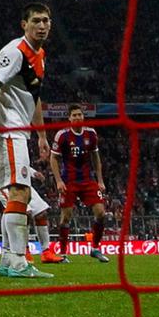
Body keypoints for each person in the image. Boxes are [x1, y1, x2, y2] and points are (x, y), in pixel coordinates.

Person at [0, 2, 55, 279]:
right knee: (19, 193)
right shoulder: (14, 51)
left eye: (46, 21)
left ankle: (7, 259)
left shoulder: (40, 55)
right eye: (36, 21)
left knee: (20, 195)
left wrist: (41, 135)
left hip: (20, 130)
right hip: (5, 129)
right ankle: (18, 260)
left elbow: (35, 97)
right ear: (24, 24)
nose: (42, 26)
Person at [0, 135, 56, 270]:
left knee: (41, 212)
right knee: (24, 212)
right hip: (2, 183)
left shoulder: (14, 138)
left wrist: (33, 173)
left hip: (21, 181)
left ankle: (46, 252)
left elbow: (18, 163)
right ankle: (24, 251)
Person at [50, 104, 111, 263]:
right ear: (69, 118)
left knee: (101, 213)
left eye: (79, 115)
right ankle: (63, 253)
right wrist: (58, 181)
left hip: (87, 180)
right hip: (68, 181)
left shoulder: (91, 134)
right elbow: (53, 158)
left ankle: (95, 248)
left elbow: (96, 158)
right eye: (74, 115)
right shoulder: (62, 135)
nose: (77, 117)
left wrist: (100, 180)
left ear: (83, 117)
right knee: (66, 218)